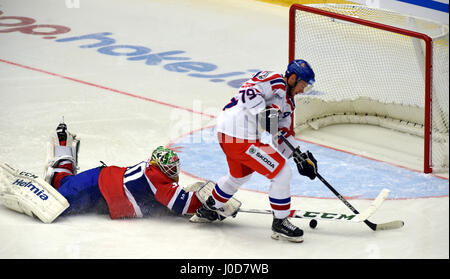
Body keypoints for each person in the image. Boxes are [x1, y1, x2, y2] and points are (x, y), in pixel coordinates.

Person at [206, 59, 319, 243]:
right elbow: (247, 90)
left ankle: (210, 207)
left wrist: (298, 156)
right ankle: (280, 222)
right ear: (292, 78)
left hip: (235, 136)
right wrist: (262, 112)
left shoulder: (288, 105)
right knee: (282, 173)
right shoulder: (274, 81)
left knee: (240, 175)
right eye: (302, 85)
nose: (302, 90)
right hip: (237, 135)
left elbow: (281, 134)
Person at [38, 121, 224, 221]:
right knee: (57, 201)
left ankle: (62, 160)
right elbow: (187, 206)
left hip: (103, 192)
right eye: (170, 168)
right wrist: (213, 202)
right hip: (97, 184)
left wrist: (207, 206)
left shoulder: (155, 175)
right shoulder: (158, 181)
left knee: (65, 191)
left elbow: (174, 206)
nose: (173, 172)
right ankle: (62, 144)